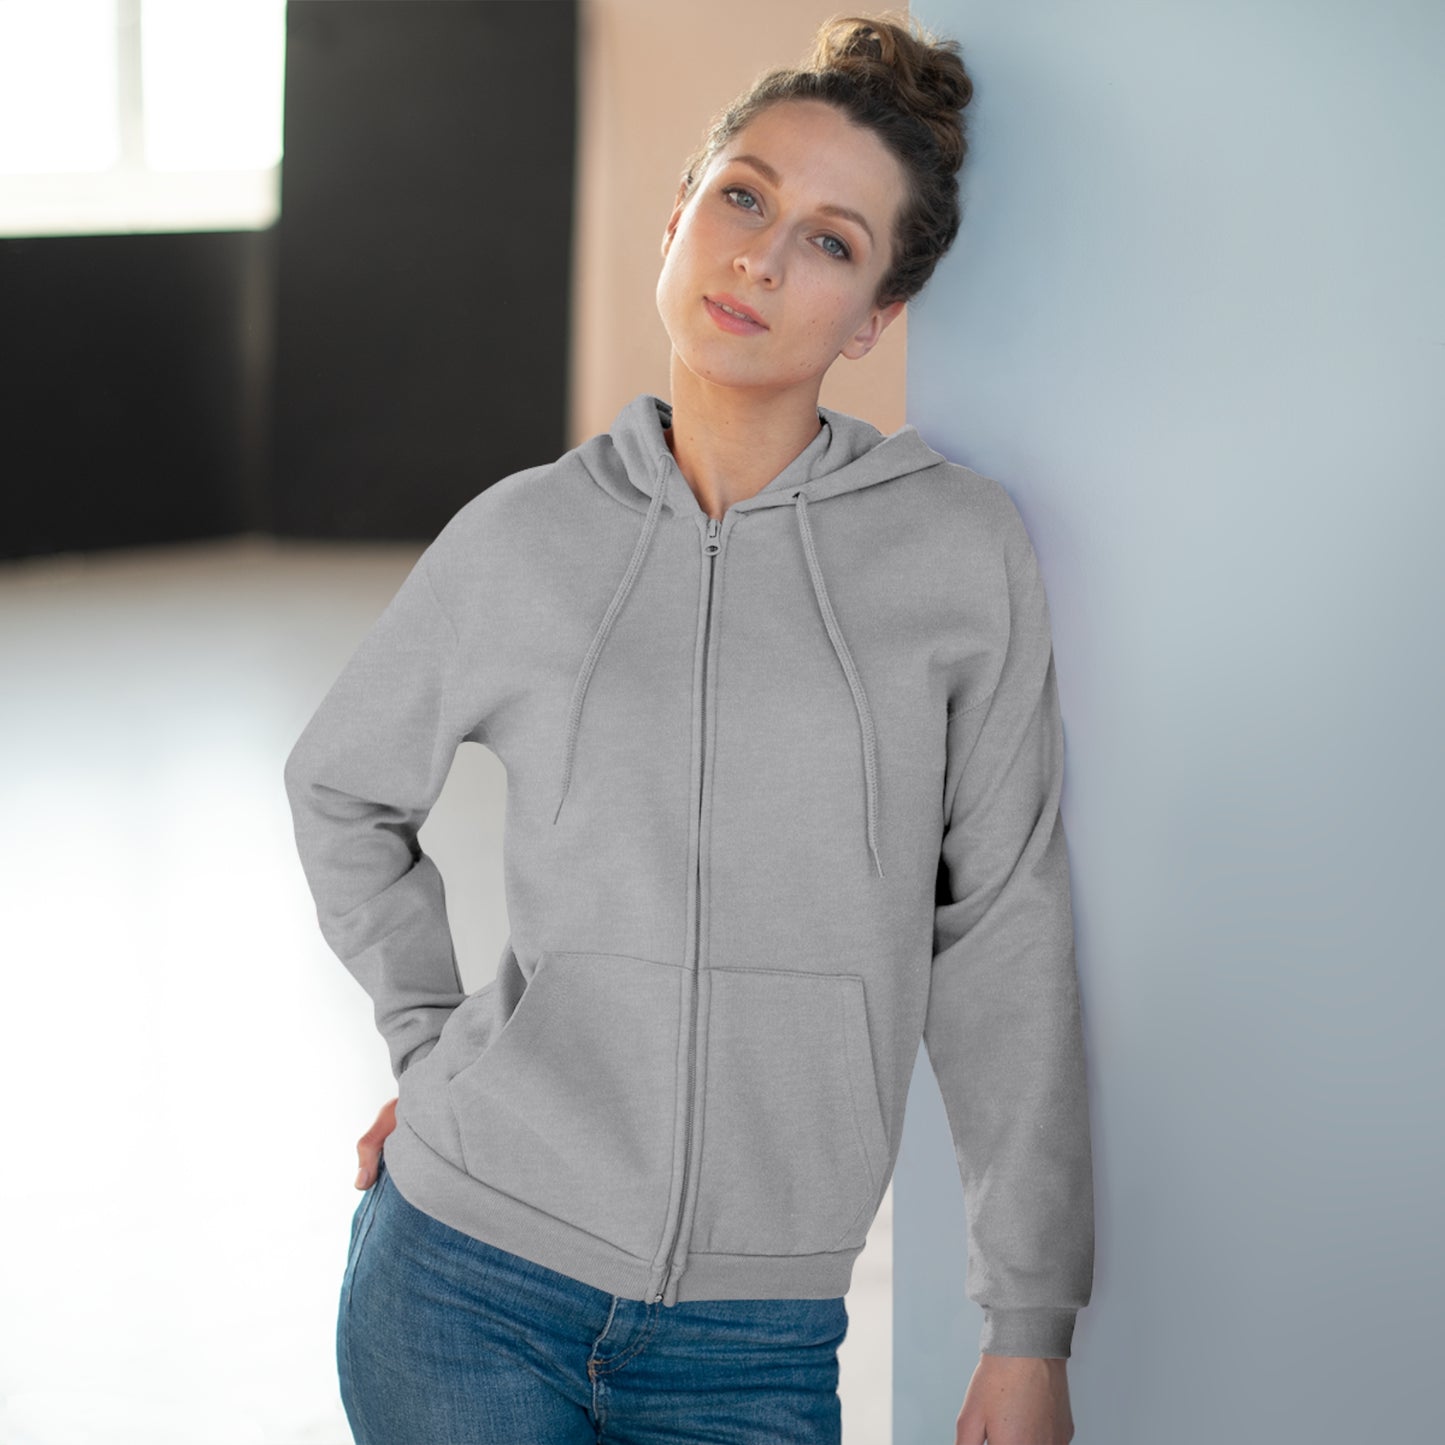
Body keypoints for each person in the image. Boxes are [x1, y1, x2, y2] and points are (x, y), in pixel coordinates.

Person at [284, 12, 1094, 1444]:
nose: (761, 260)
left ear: (874, 318)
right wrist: (430, 1042)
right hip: (461, 1283)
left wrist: (1025, 1324)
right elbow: (342, 787)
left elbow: (1002, 934)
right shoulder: (525, 539)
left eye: (831, 242)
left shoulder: (955, 556)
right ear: (677, 217)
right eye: (743, 197)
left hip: (750, 1343)